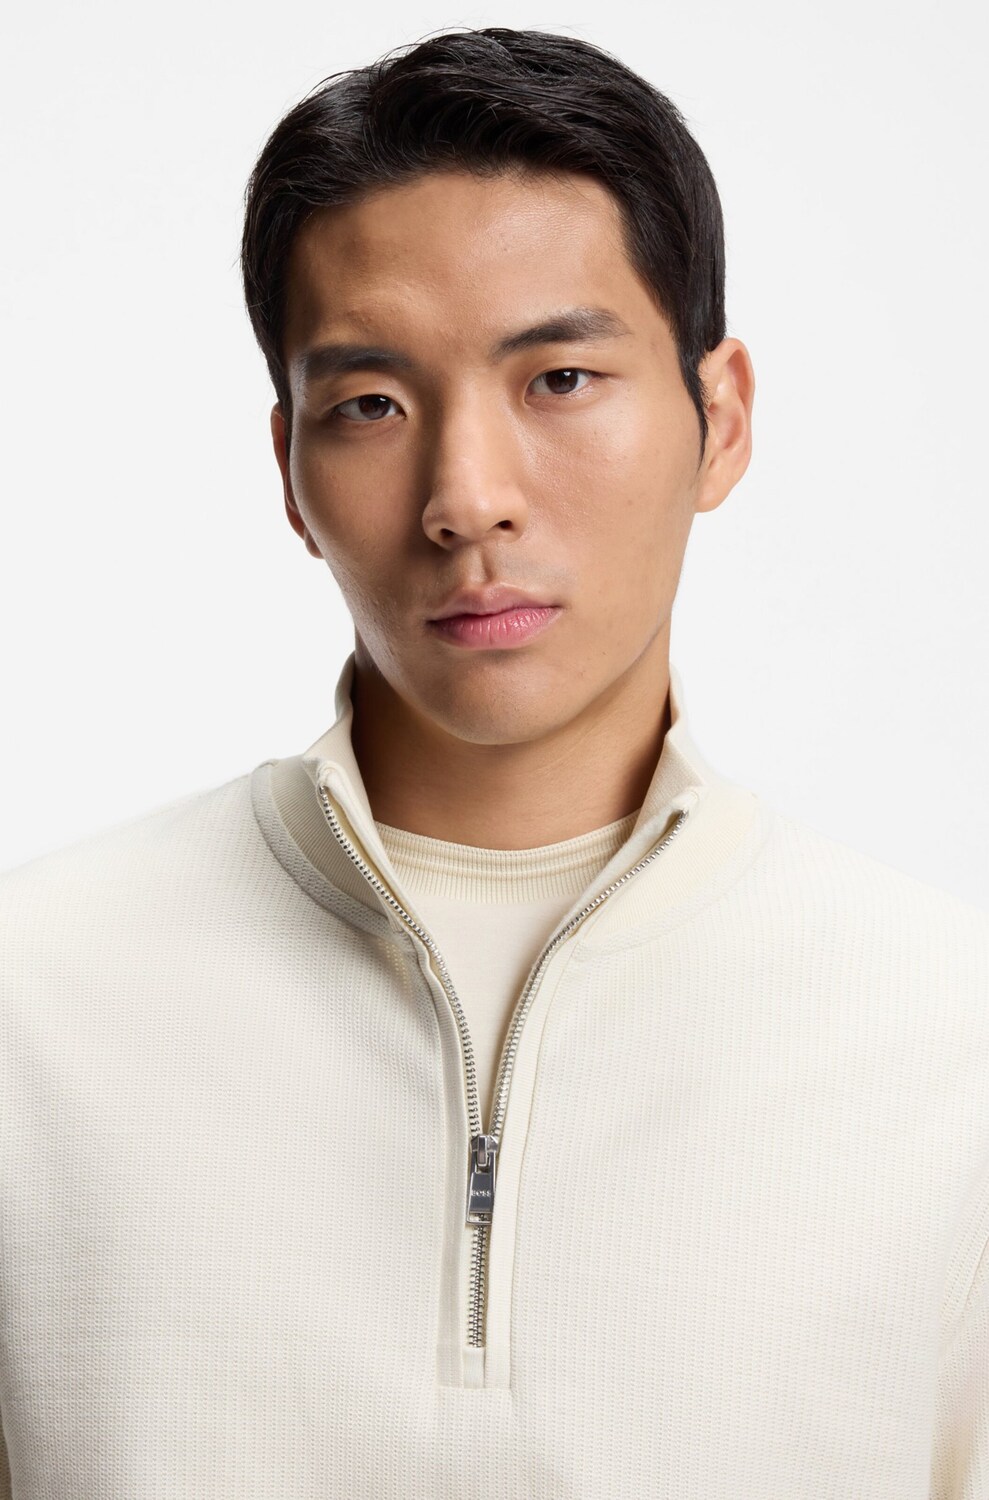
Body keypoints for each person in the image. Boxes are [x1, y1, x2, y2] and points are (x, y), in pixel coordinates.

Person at [1, 24, 986, 1499]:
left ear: (720, 420)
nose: (466, 498)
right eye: (372, 405)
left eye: (561, 378)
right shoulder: (30, 1006)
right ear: (288, 471)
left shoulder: (950, 1037)